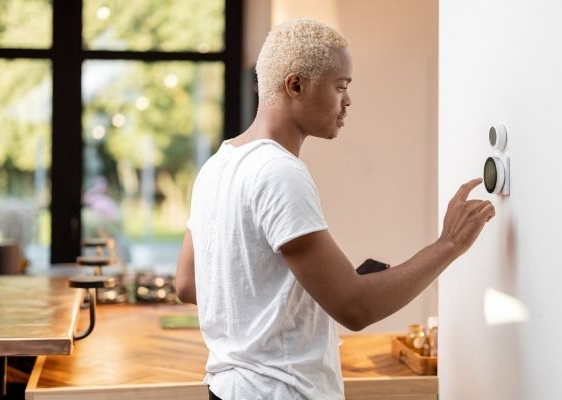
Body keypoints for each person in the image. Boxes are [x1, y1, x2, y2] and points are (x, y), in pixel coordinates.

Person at [175, 19, 495, 400]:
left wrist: (308, 289)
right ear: (295, 85)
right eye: (340, 86)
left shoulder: (218, 165)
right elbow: (355, 307)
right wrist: (449, 245)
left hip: (227, 389)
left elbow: (189, 285)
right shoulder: (279, 172)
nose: (347, 100)